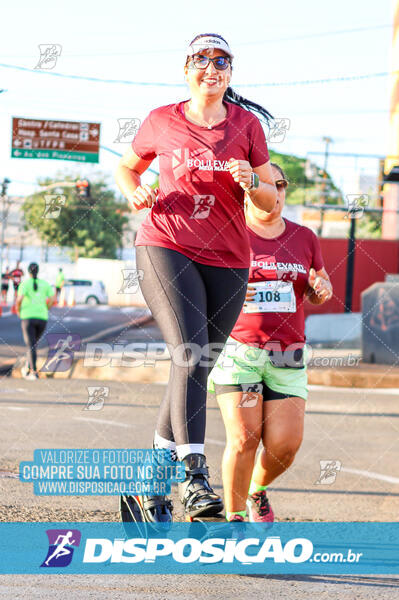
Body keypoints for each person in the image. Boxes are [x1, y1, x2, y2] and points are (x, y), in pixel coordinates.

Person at [115, 33, 277, 522]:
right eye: (203, 60)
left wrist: (253, 182)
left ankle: (151, 482)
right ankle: (194, 476)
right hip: (166, 244)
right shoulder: (161, 119)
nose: (213, 68)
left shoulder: (246, 126)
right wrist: (135, 191)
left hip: (229, 258)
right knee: (187, 351)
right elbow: (127, 168)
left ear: (231, 72)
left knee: (196, 364)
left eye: (222, 61)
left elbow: (269, 201)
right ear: (186, 68)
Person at [208, 163, 333, 523]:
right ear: (249, 190)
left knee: (285, 446)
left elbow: (319, 284)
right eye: (267, 184)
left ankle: (255, 491)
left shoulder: (304, 237)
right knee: (245, 438)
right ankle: (233, 521)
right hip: (239, 350)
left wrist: (320, 289)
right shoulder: (228, 234)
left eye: (280, 185)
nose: (274, 192)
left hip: (288, 354)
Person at [16, 262, 56, 380]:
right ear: (37, 271)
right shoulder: (45, 284)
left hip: (28, 317)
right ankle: (28, 368)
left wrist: (18, 309)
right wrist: (46, 307)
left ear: (28, 272)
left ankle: (33, 372)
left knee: (31, 345)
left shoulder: (25, 284)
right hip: (42, 317)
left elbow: (19, 299)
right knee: (34, 344)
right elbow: (53, 298)